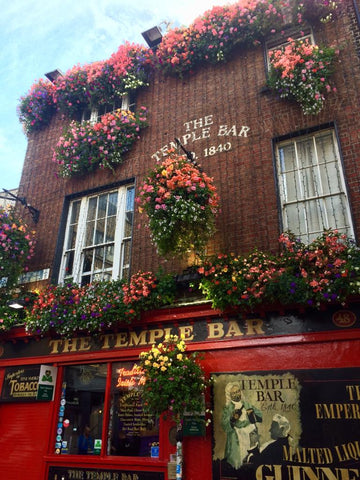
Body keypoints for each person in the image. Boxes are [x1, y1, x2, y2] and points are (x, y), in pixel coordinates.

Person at [221, 382, 263, 470]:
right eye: (234, 393)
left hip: (251, 437)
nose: (237, 394)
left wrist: (252, 415)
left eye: (238, 391)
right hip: (237, 437)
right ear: (229, 395)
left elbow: (260, 416)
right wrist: (233, 419)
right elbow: (225, 426)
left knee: (251, 461)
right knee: (238, 463)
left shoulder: (247, 405)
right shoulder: (228, 409)